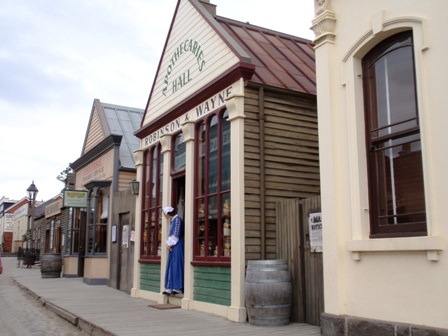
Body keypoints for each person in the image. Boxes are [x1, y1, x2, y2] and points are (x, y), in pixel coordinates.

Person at [162, 206, 184, 295]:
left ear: (168, 213)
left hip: (177, 245)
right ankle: (169, 287)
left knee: (176, 265)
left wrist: (170, 244)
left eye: (164, 214)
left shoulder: (177, 220)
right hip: (173, 246)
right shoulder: (173, 221)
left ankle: (177, 287)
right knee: (171, 266)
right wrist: (168, 244)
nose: (164, 216)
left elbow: (176, 234)